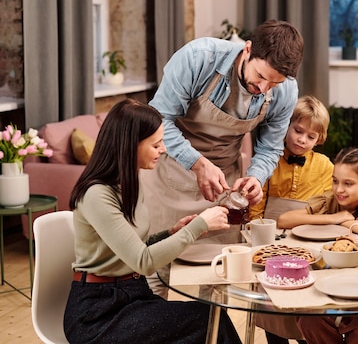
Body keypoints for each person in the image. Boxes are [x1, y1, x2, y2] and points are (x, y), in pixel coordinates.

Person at [142, 19, 304, 295]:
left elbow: (270, 147)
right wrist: (198, 163)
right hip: (169, 176)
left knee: (215, 273)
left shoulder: (285, 89)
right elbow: (158, 121)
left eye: (274, 83)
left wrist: (256, 176)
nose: (264, 88)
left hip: (224, 183)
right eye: (261, 77)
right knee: (158, 270)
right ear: (247, 49)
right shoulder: (197, 59)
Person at [63, 99, 242, 344]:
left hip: (131, 296)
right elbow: (143, 261)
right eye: (156, 144)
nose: (164, 149)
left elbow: (136, 245)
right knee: (210, 321)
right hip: (98, 314)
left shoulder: (130, 184)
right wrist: (198, 224)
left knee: (211, 320)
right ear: (130, 145)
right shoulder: (96, 195)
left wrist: (171, 232)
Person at [251, 96, 358, 344]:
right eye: (297, 131)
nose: (302, 140)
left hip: (310, 241)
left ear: (320, 139)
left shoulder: (323, 164)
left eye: (310, 136)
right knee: (274, 311)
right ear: (284, 125)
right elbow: (258, 207)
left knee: (307, 308)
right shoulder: (268, 159)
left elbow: (353, 173)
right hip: (272, 237)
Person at [277, 147, 358, 344]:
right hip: (324, 283)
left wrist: (343, 223)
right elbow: (284, 219)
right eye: (335, 181)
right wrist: (334, 217)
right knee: (308, 318)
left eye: (348, 183)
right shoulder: (328, 201)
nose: (339, 189)